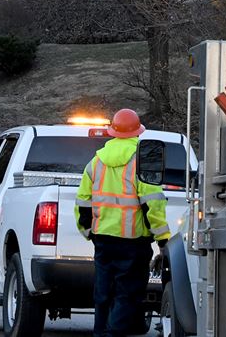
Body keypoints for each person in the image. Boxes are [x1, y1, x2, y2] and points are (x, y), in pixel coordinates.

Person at [75, 109, 171, 337]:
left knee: (103, 294)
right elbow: (153, 204)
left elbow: (82, 202)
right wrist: (162, 238)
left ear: (113, 132)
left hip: (103, 242)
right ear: (138, 132)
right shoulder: (142, 160)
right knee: (127, 294)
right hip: (133, 242)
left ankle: (101, 333)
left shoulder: (96, 162)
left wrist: (89, 232)